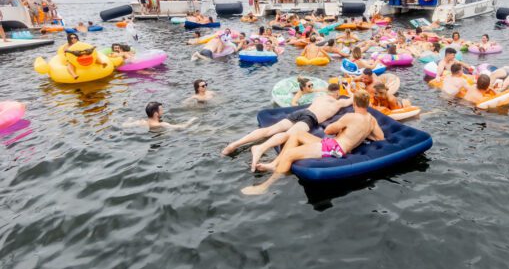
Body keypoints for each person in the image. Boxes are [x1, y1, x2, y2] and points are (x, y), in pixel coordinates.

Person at [242, 90, 384, 195]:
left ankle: (265, 186)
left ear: (354, 103)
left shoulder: (351, 117)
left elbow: (328, 130)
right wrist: (361, 135)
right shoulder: (371, 120)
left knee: (290, 154)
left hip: (335, 148)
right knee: (297, 134)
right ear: (367, 103)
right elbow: (380, 137)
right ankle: (274, 164)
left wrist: (343, 130)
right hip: (335, 145)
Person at [222, 83, 353, 171]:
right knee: (288, 135)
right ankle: (260, 148)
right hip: (310, 118)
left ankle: (234, 144)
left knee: (270, 130)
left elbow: (321, 90)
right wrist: (348, 90)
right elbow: (352, 99)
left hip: (301, 112)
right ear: (336, 93)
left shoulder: (320, 97)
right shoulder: (338, 102)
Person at [124, 102, 198, 131]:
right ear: (156, 114)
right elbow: (182, 127)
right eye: (161, 110)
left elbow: (124, 125)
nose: (163, 112)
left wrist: (129, 119)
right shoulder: (162, 124)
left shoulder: (141, 122)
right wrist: (191, 120)